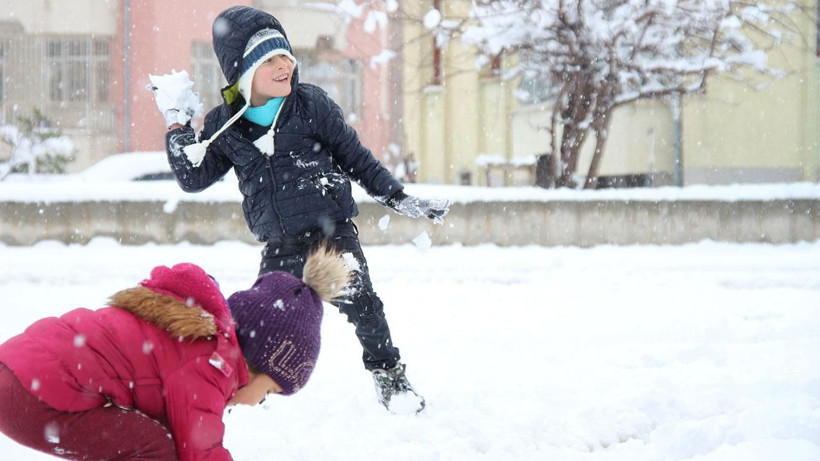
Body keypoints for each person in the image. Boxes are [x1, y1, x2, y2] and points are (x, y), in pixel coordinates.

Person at [149, 5, 449, 413]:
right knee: (256, 325)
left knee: (365, 308)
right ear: (243, 71)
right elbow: (193, 177)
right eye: (269, 59)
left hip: (331, 236)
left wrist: (398, 197)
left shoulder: (310, 105)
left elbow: (356, 158)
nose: (283, 65)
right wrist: (177, 126)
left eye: (285, 55)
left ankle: (390, 378)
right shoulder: (225, 124)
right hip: (280, 243)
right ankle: (241, 387)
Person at [0, 246, 350, 460]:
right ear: (257, 361)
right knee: (152, 447)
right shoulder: (212, 364)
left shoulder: (200, 343)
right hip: (30, 396)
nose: (259, 402)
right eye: (271, 391)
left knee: (150, 440)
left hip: (18, 375)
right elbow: (201, 451)